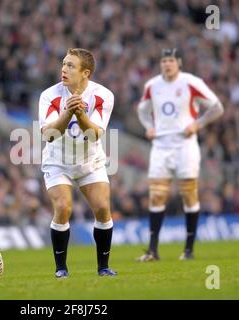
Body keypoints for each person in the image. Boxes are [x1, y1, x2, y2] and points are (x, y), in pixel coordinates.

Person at [137, 48, 224, 261]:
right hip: (161, 145)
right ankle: (152, 251)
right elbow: (142, 110)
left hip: (185, 145)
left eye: (171, 60)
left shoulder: (191, 82)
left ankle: (188, 251)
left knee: (188, 194)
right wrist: (148, 126)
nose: (167, 64)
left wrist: (198, 124)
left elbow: (217, 107)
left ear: (179, 63)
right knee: (157, 195)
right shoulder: (152, 85)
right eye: (164, 60)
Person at [38, 48, 117, 277]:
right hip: (58, 162)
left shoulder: (103, 95)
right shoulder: (49, 96)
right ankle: (61, 269)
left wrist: (81, 114)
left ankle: (103, 268)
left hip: (89, 161)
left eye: (71, 65)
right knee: (63, 207)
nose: (63, 69)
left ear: (86, 73)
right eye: (64, 63)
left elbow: (94, 135)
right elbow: (48, 135)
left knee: (103, 208)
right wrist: (68, 111)